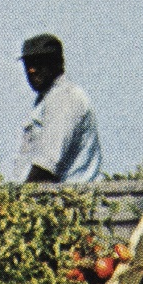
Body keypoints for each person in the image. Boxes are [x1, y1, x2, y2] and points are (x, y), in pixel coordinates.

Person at [13, 34, 102, 183]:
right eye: (28, 64)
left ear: (57, 63)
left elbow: (46, 167)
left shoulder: (65, 98)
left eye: (38, 63)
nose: (31, 70)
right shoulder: (47, 99)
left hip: (70, 201)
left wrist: (20, 201)